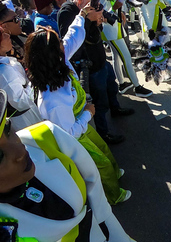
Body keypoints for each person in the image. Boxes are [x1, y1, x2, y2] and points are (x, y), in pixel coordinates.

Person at [24, 10, 131, 205]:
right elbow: (68, 134)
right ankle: (113, 196)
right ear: (52, 54)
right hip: (74, 137)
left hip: (80, 122)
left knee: (104, 150)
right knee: (99, 166)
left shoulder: (57, 63)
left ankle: (114, 175)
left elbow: (72, 37)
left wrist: (81, 15)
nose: (64, 45)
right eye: (59, 44)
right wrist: (88, 114)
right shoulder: (52, 98)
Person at [0, 90, 134, 241]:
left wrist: (118, 236)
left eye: (7, 128)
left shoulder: (46, 137)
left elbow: (95, 188)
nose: (20, 149)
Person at [57, 0, 133, 145]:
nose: (95, 6)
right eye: (92, 2)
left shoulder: (87, 12)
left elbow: (93, 36)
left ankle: (116, 108)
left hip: (100, 60)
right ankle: (103, 133)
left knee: (111, 87)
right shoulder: (67, 11)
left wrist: (97, 22)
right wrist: (87, 19)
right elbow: (69, 40)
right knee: (99, 101)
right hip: (88, 65)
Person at [0, 5, 42, 133]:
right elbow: (21, 102)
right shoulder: (4, 71)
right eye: (3, 35)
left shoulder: (8, 62)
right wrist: (35, 84)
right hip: (26, 122)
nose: (7, 36)